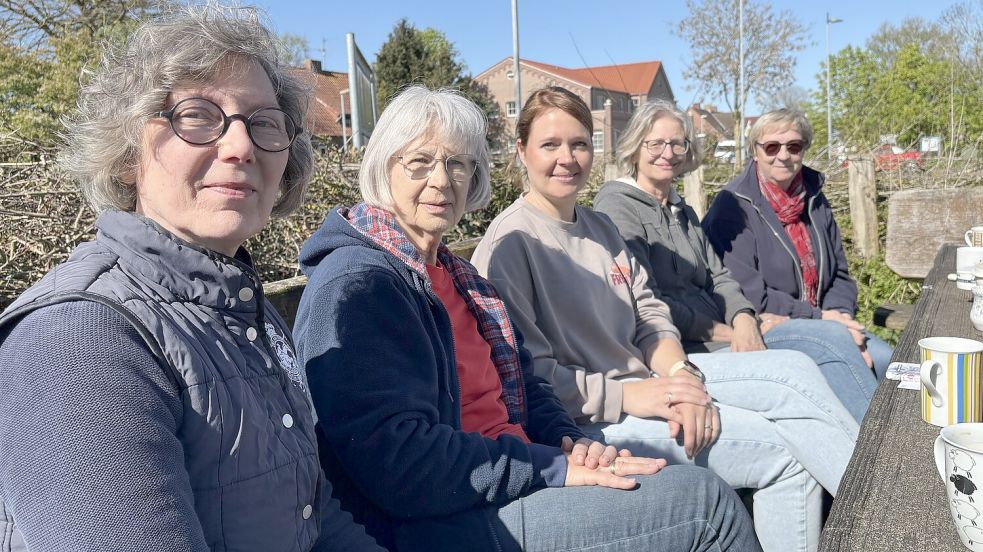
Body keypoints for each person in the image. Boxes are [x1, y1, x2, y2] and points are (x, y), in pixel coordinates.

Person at [293, 86, 761, 552]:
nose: (441, 180)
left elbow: (526, 383)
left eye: (458, 164)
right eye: (420, 161)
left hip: (516, 472)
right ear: (383, 167)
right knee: (706, 506)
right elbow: (400, 464)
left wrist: (570, 442)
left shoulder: (460, 278)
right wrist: (549, 466)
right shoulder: (359, 284)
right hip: (445, 520)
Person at [0, 5, 382, 551]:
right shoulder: (78, 340)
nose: (240, 146)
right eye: (197, 115)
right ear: (128, 152)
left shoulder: (241, 309)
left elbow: (311, 513)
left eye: (264, 122)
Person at [471, 87, 860, 552]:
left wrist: (681, 375)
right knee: (784, 455)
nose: (567, 159)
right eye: (550, 145)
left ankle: (884, 498)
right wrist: (635, 395)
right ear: (522, 150)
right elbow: (529, 375)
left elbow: (649, 314)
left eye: (579, 144)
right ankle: (882, 514)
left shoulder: (599, 226)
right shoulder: (512, 244)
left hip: (652, 380)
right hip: (593, 421)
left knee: (794, 370)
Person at [592, 99, 877, 423]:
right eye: (656, 143)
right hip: (682, 350)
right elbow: (648, 302)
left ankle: (877, 440)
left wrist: (743, 318)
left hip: (729, 333)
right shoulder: (619, 207)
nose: (668, 153)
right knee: (822, 347)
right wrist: (732, 331)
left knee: (843, 342)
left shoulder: (682, 211)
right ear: (634, 148)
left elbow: (720, 277)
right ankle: (878, 445)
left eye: (677, 143)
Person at [702, 109, 893, 382]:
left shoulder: (814, 198)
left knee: (888, 360)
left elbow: (839, 275)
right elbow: (748, 294)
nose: (783, 155)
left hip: (825, 322)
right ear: (755, 152)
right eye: (771, 147)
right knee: (852, 367)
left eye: (793, 146)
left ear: (804, 150)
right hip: (767, 324)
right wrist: (822, 320)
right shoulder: (732, 207)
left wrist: (842, 320)